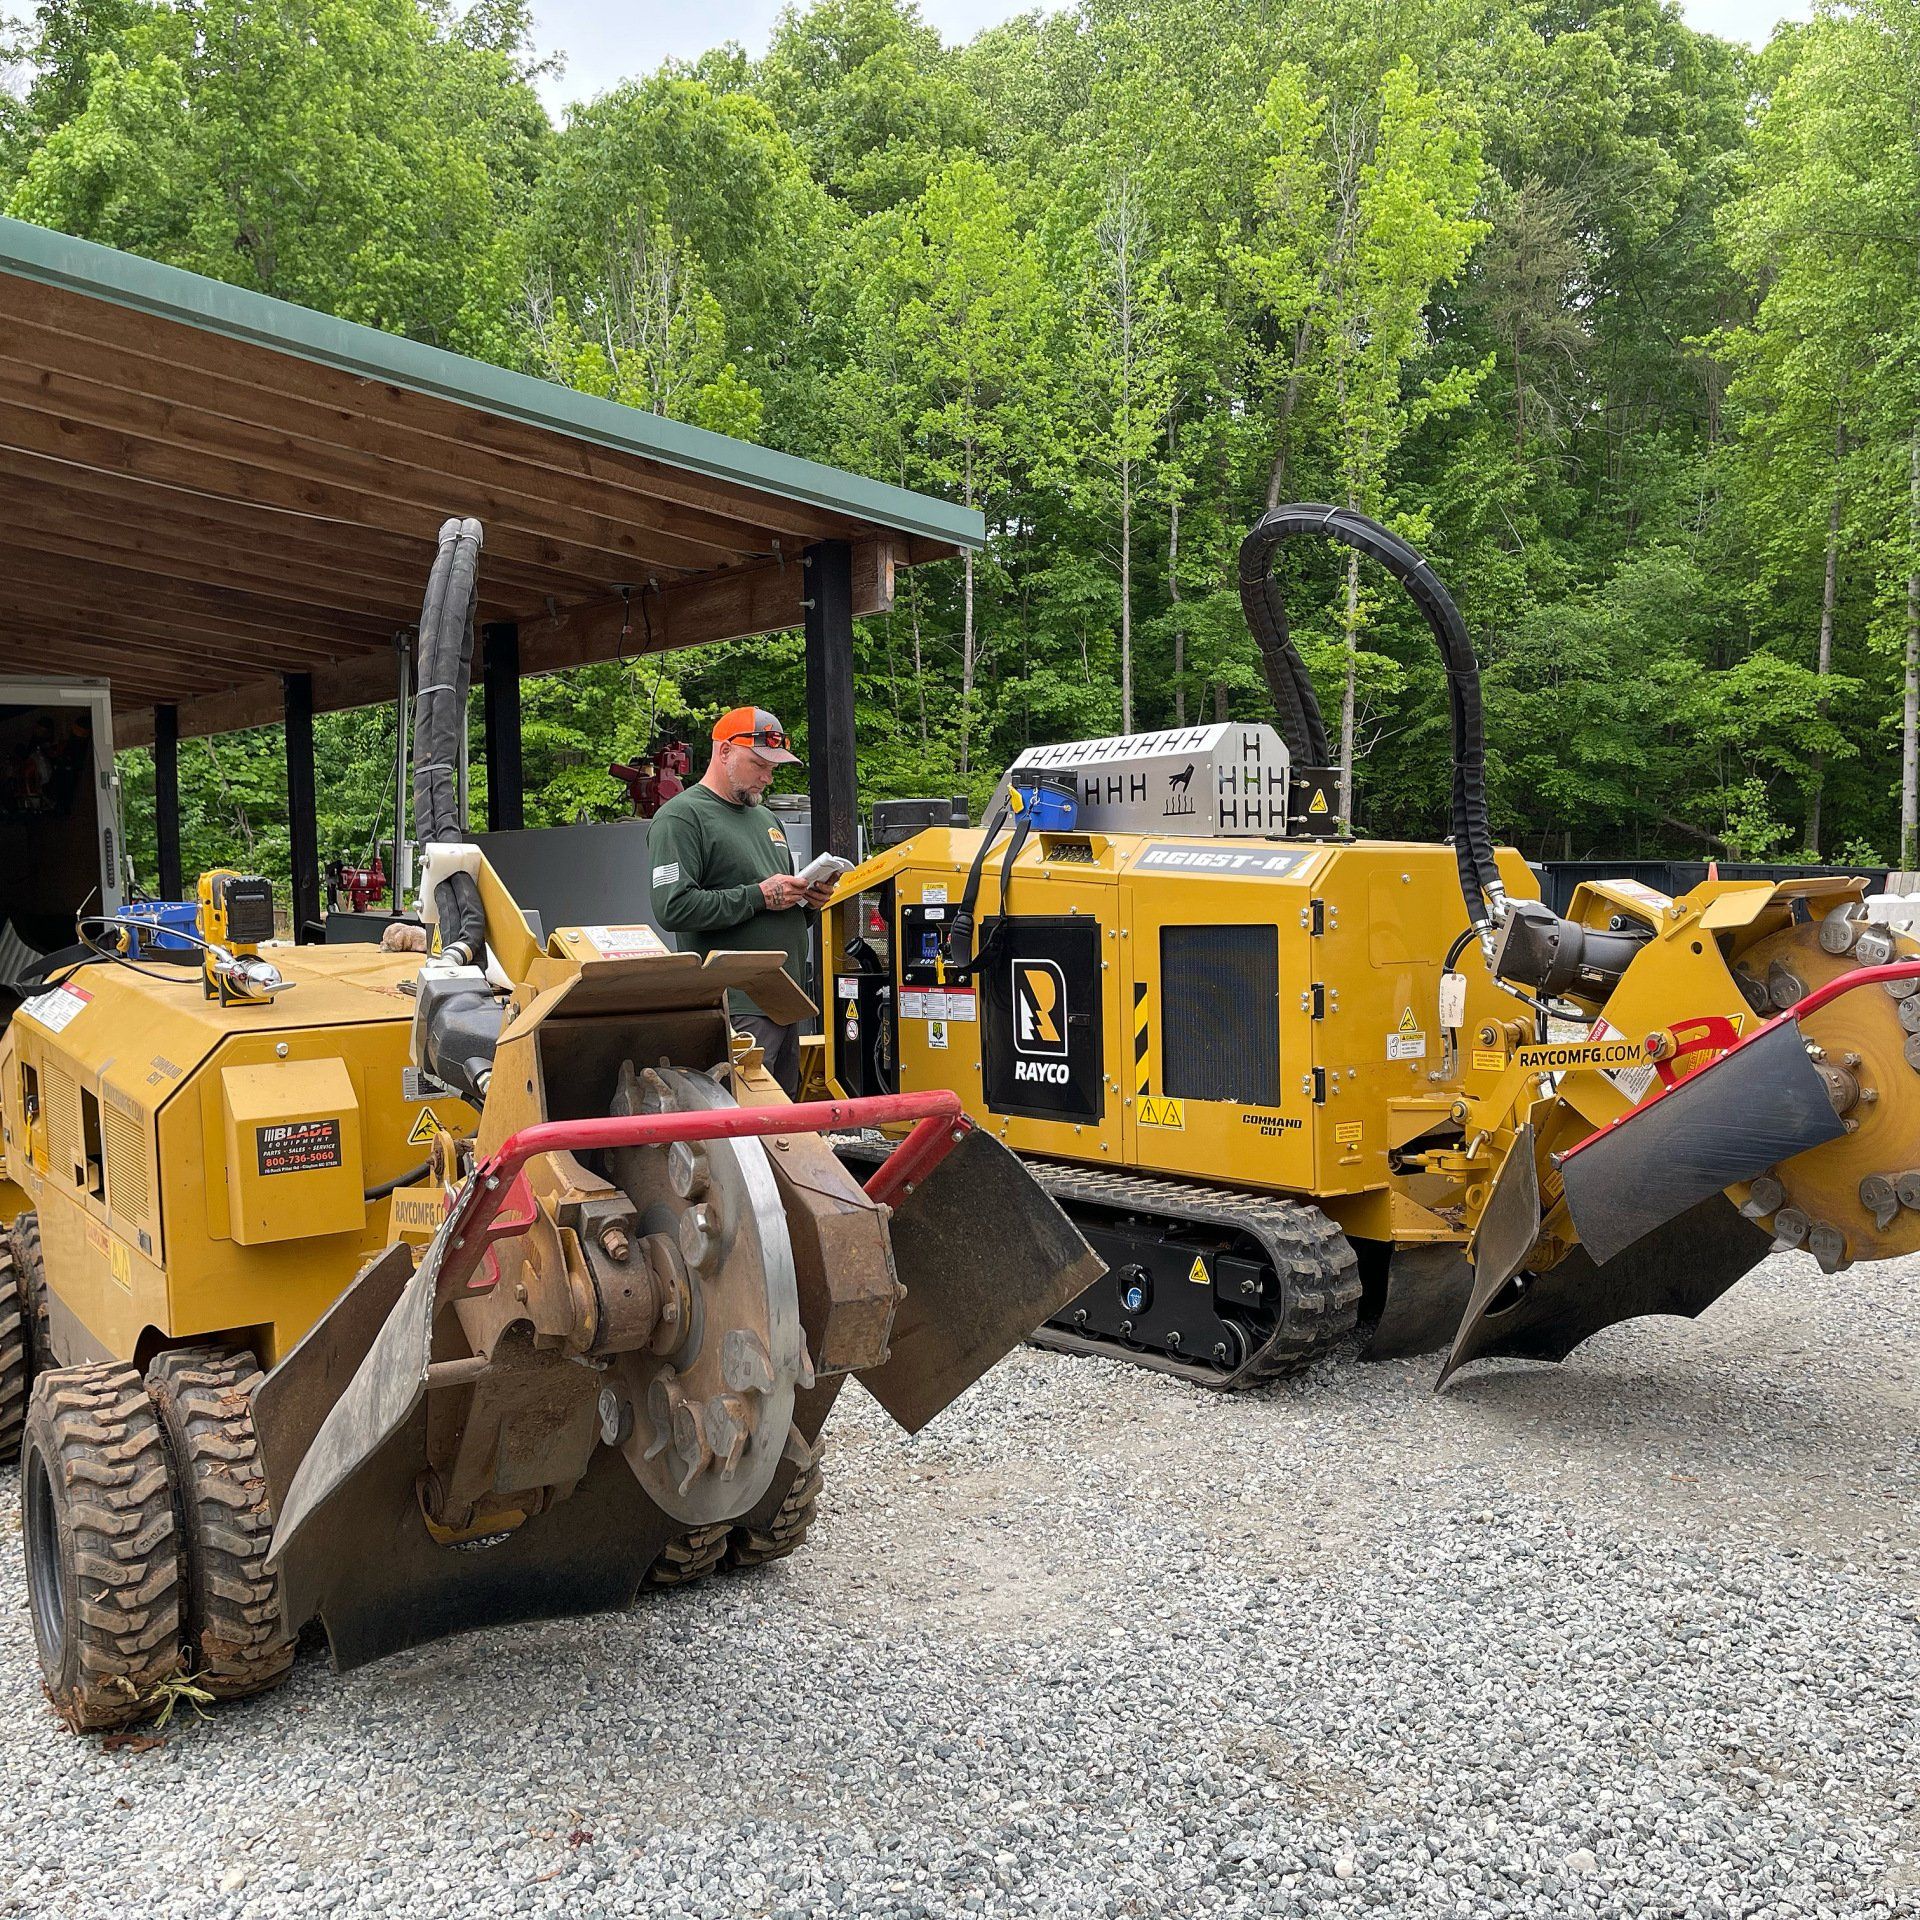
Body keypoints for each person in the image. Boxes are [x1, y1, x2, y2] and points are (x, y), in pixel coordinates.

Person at [647, 706, 836, 1095]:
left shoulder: (768, 819)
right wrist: (759, 895)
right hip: (736, 1005)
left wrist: (809, 904)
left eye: (773, 769)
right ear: (725, 752)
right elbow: (673, 907)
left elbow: (775, 914)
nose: (767, 777)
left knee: (782, 1131)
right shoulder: (681, 818)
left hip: (785, 1001)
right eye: (758, 764)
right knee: (745, 1128)